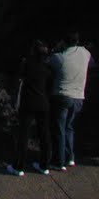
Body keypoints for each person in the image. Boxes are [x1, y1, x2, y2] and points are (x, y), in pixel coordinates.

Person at [8, 39, 53, 176]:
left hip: (28, 103)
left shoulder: (27, 64)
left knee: (23, 135)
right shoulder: (48, 67)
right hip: (43, 103)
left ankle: (18, 166)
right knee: (45, 135)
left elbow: (18, 79)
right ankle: (44, 165)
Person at [52, 32, 92, 170]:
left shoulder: (60, 57)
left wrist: (55, 48)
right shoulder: (86, 53)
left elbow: (48, 62)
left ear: (64, 42)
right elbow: (92, 64)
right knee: (69, 127)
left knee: (60, 129)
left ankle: (59, 160)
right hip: (79, 96)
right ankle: (70, 157)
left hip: (63, 94)